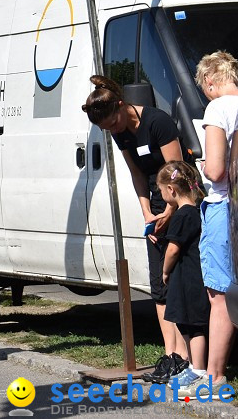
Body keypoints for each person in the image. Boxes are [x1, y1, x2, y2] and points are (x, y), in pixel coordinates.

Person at [82, 75, 187, 384]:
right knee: (159, 284)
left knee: (178, 278)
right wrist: (147, 213)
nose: (112, 131)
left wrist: (168, 212)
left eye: (112, 124)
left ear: (121, 105)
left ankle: (188, 358)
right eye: (106, 129)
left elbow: (178, 171)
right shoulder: (120, 133)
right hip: (156, 204)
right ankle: (172, 355)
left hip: (179, 202)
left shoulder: (157, 122)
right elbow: (136, 173)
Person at [185, 51, 238, 397]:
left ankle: (215, 376)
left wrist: (203, 164)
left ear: (209, 82)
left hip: (225, 206)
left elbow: (217, 171)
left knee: (221, 293)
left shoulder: (218, 109)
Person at [156, 162, 210, 397]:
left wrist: (165, 271)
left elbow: (173, 250)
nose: (161, 195)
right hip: (189, 277)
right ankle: (192, 366)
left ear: (172, 189)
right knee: (186, 324)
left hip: (188, 279)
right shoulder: (196, 210)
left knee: (193, 325)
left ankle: (198, 369)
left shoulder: (182, 215)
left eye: (161, 191)